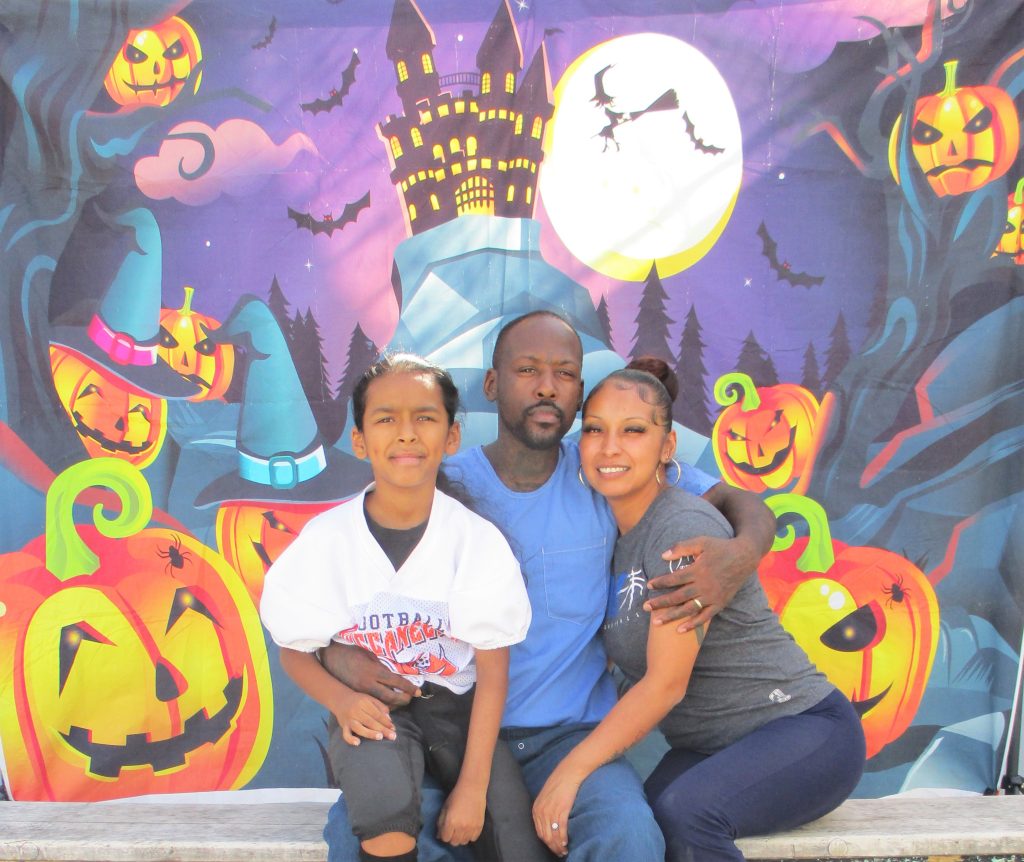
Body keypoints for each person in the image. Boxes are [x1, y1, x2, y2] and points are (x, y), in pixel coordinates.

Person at [322, 311, 779, 861]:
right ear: (492, 385)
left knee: (629, 837)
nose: (546, 386)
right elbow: (344, 596)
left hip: (571, 738)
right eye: (527, 369)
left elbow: (733, 499)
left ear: (579, 393)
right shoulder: (441, 485)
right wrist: (336, 656)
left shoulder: (603, 472)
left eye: (564, 374)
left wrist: (743, 552)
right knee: (364, 830)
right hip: (451, 736)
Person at [531, 358, 866, 861]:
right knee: (643, 823)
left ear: (667, 447)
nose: (610, 446)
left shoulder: (680, 527)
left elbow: (666, 682)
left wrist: (571, 770)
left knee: (688, 815)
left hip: (804, 729)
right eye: (595, 429)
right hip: (715, 748)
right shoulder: (617, 535)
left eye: (634, 431)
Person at [260, 354, 550, 862]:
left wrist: (473, 788)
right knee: (386, 816)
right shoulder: (328, 540)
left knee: (513, 841)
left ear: (452, 436)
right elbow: (294, 651)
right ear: (359, 439)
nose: (406, 433)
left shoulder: (474, 541)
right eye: (386, 419)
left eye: (425, 417)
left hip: (459, 708)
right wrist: (341, 701)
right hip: (374, 709)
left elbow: (492, 670)